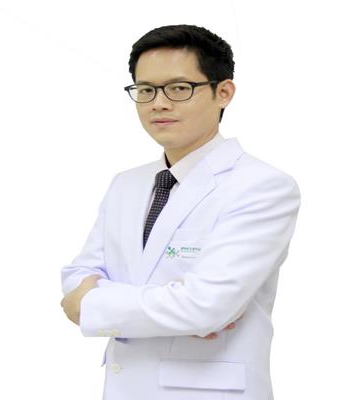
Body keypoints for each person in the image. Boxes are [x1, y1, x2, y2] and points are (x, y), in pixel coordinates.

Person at [60, 24, 301, 400]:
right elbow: (78, 275)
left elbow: (205, 306)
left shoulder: (262, 186)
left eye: (178, 88)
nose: (158, 103)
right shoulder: (126, 184)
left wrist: (91, 304)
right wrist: (171, 302)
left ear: (223, 92)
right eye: (146, 90)